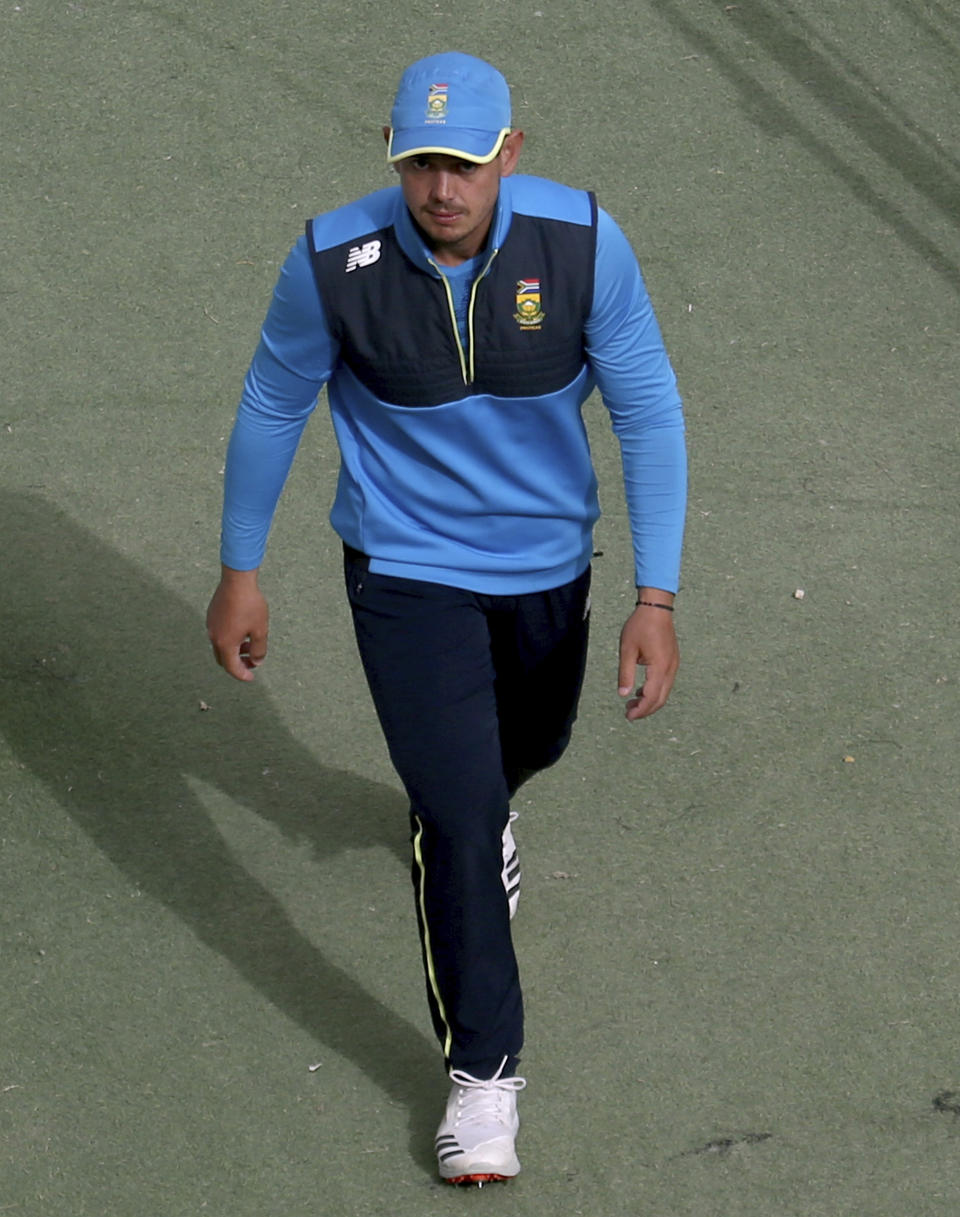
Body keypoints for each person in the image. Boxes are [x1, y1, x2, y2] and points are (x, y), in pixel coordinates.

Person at [206, 50, 687, 1186]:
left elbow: (649, 410)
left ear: (508, 154)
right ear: (393, 155)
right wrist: (241, 566)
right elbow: (275, 396)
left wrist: (651, 597)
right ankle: (484, 1074)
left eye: (465, 163)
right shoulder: (332, 261)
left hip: (546, 571)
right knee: (457, 812)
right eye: (420, 162)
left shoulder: (582, 246)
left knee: (529, 750)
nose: (441, 189)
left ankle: (480, 813)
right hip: (406, 568)